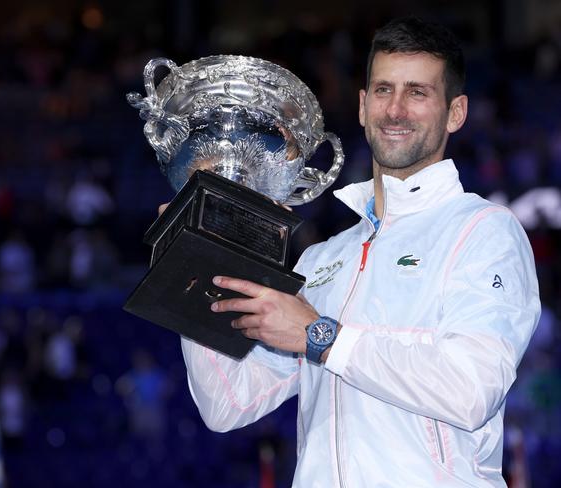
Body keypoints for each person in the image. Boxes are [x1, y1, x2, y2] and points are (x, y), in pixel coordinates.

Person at [178, 16, 540, 487]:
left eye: (417, 92)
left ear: (456, 112)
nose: (396, 110)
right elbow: (228, 404)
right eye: (384, 90)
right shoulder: (324, 259)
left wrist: (323, 338)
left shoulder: (483, 231)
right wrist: (197, 255)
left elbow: (472, 390)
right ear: (364, 106)